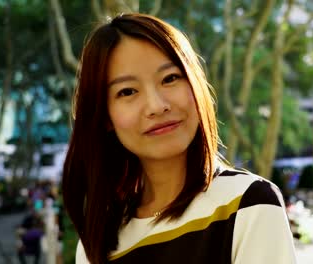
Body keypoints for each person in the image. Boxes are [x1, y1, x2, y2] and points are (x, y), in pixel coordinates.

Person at [62, 13, 296, 264]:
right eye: (127, 91)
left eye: (170, 78)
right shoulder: (98, 243)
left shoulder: (247, 204)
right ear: (105, 116)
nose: (156, 105)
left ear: (195, 85)